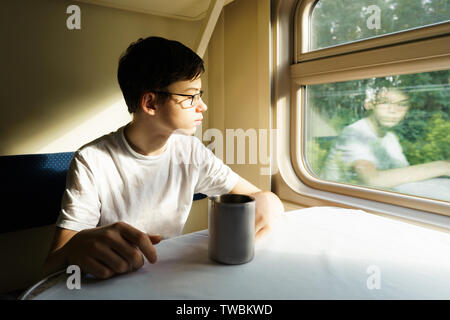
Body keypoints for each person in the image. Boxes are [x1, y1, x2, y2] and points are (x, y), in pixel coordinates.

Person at [42, 36, 284, 279]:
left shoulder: (192, 152)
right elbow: (51, 265)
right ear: (150, 103)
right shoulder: (91, 161)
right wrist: (76, 249)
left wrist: (269, 202)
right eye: (192, 97)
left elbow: (257, 196)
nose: (203, 107)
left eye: (200, 94)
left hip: (168, 276)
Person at [322, 86, 450, 188]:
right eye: (384, 102)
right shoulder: (354, 132)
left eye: (401, 104)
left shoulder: (390, 138)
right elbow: (372, 180)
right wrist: (443, 166)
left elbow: (403, 175)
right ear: (369, 104)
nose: (393, 110)